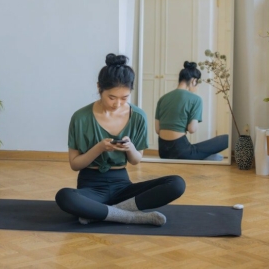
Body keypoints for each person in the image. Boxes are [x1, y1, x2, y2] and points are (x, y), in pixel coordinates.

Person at [55, 53, 185, 226]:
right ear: (99, 88)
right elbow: (75, 164)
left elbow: (136, 160)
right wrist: (99, 148)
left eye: (124, 98)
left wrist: (130, 147)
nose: (117, 104)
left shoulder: (138, 116)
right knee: (64, 196)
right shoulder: (80, 118)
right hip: (91, 187)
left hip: (122, 185)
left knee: (176, 184)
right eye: (112, 97)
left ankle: (103, 212)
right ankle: (130, 216)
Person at [155, 61, 228, 160]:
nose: (197, 87)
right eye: (197, 83)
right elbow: (192, 129)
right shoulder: (195, 99)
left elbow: (157, 130)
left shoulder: (162, 99)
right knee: (226, 139)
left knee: (216, 157)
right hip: (181, 151)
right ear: (194, 80)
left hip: (163, 152)